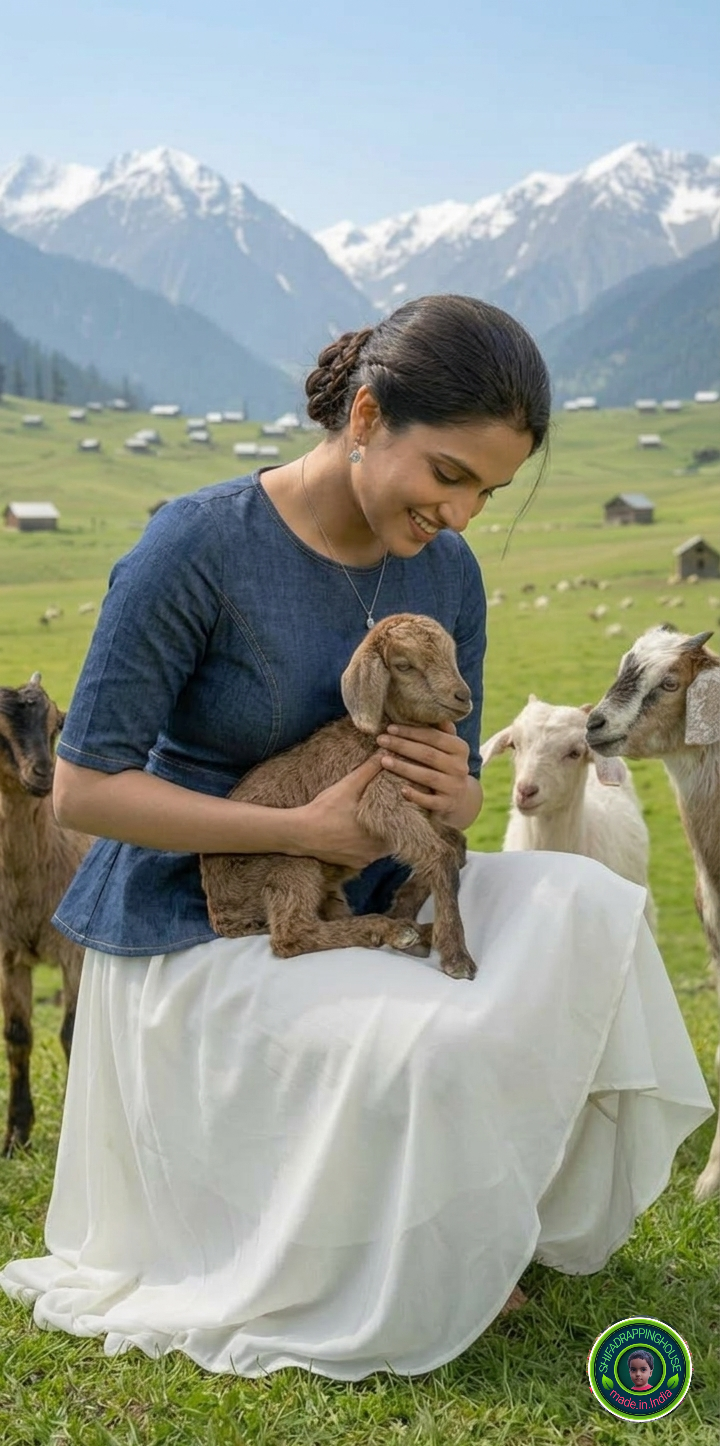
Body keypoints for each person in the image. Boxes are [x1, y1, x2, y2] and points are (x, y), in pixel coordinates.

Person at [0, 295, 712, 1381]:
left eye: (490, 490)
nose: (464, 514)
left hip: (372, 878)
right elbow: (84, 795)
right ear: (368, 416)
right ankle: (406, 1241)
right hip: (201, 921)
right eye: (449, 476)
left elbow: (458, 775)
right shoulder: (193, 548)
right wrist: (295, 825)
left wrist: (464, 799)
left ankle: (491, 1209)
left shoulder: (448, 576)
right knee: (433, 1025)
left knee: (589, 911)